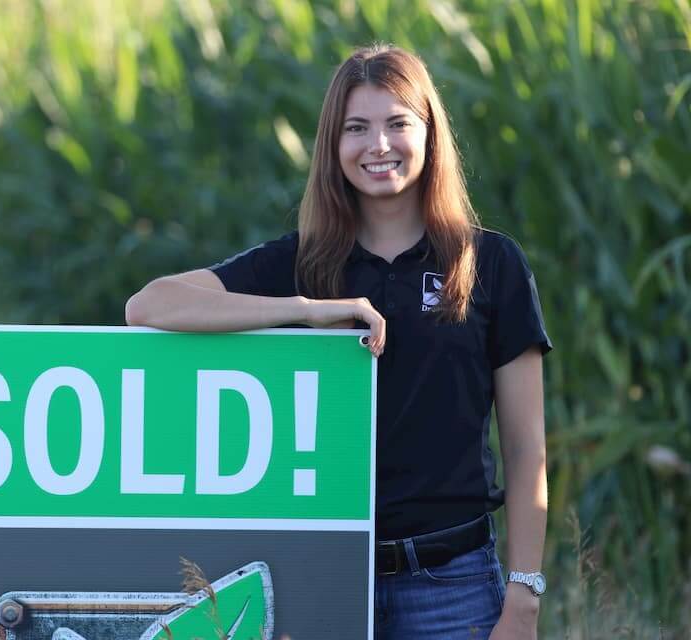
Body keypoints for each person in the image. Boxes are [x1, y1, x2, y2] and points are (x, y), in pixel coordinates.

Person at [125, 44, 550, 640]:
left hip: (452, 587)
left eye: (397, 124)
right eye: (357, 128)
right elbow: (150, 305)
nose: (378, 146)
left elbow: (527, 450)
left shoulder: (490, 263)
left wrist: (524, 596)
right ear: (334, 144)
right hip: (322, 580)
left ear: (430, 133)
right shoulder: (305, 262)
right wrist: (306, 311)